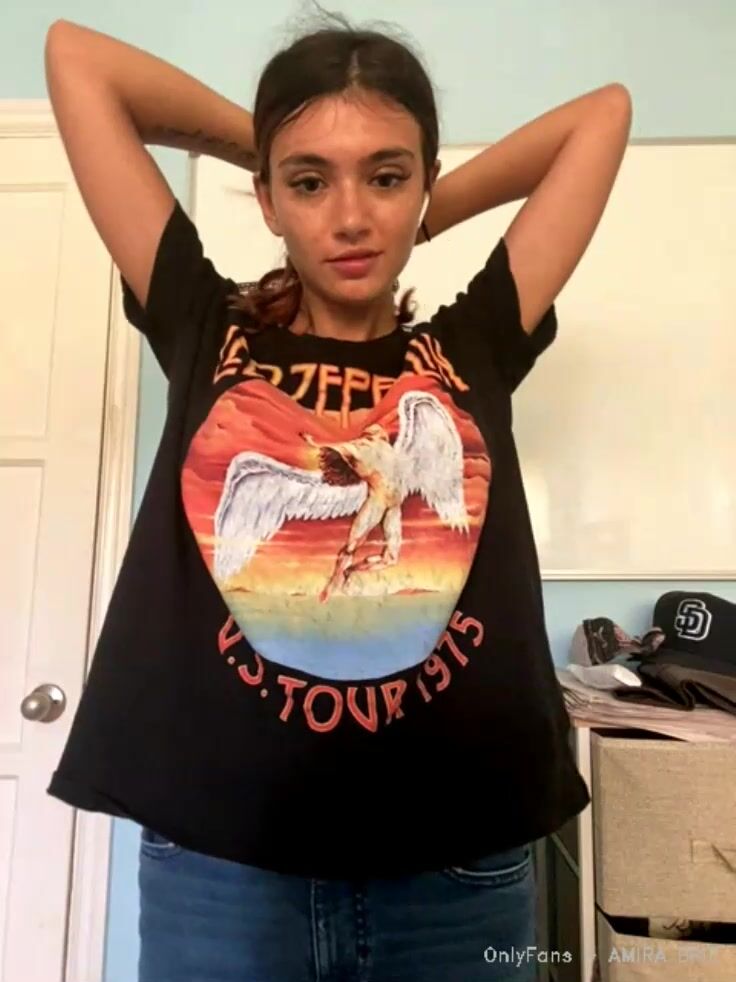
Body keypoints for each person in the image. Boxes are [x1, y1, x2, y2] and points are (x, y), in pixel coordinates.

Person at [44, 6, 632, 981]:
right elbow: (76, 58)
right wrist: (273, 143)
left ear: (421, 184)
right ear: (267, 199)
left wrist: (421, 201)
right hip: (220, 868)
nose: (351, 217)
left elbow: (601, 115)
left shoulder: (472, 345)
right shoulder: (206, 328)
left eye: (385, 178)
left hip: (459, 868)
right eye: (309, 182)